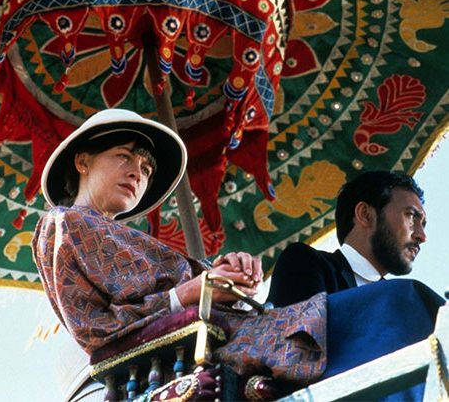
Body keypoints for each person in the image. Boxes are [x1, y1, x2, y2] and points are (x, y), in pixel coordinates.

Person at [32, 109, 327, 395]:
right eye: (123, 156)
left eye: (146, 169)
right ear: (83, 161)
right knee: (315, 291)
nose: (136, 174)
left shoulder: (122, 237)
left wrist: (229, 273)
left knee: (316, 286)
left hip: (228, 335)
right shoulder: (64, 222)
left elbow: (187, 285)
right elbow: (98, 330)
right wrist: (195, 290)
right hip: (179, 359)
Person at [267, 170, 428, 308]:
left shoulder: (403, 305)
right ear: (365, 215)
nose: (422, 236)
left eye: (423, 224)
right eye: (411, 216)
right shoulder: (305, 263)